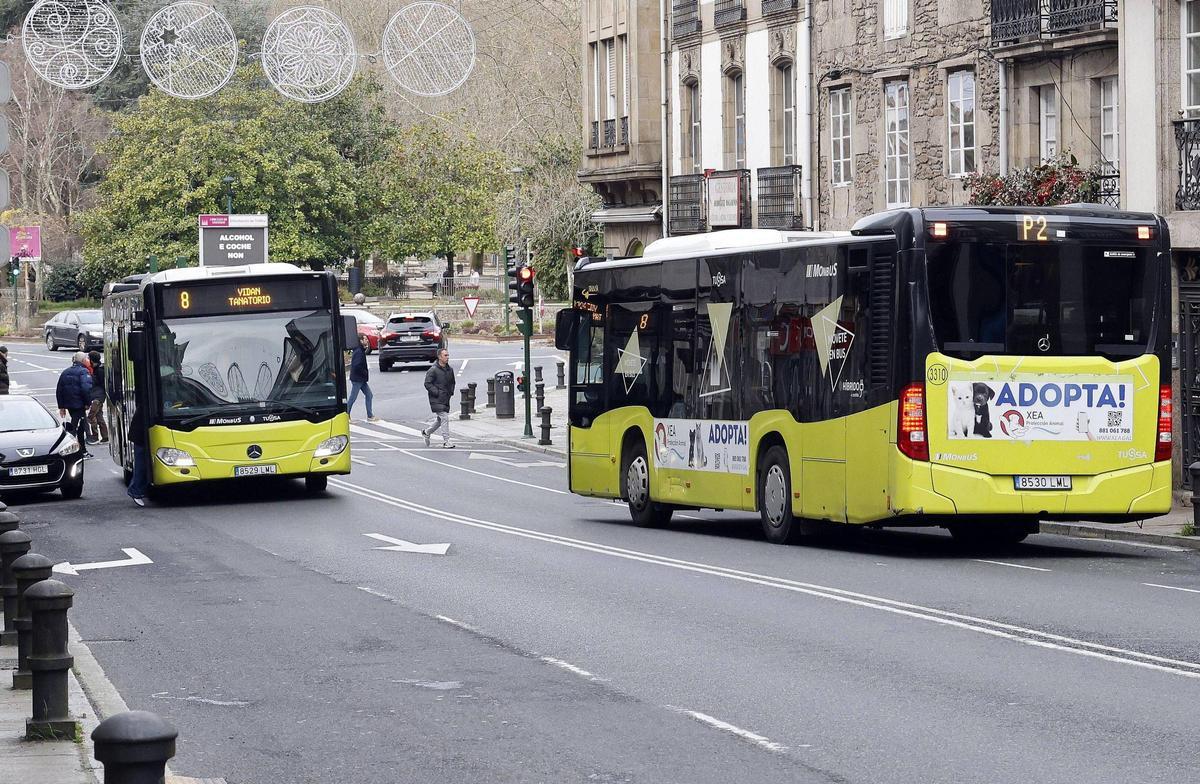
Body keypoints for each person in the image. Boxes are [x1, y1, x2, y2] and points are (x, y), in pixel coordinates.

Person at [56, 352, 94, 458]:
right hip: (79, 405)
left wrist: (61, 406)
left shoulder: (65, 372)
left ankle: (81, 451)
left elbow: (59, 390)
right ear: (83, 360)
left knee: (77, 427)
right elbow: (86, 389)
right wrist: (88, 402)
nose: (88, 360)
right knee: (77, 429)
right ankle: (76, 452)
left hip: (70, 405)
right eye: (86, 358)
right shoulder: (83, 371)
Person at [422, 347, 455, 448]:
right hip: (436, 399)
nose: (447, 357)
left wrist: (450, 392)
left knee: (440, 420)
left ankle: (427, 432)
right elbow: (427, 383)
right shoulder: (433, 370)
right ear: (439, 357)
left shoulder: (450, 369)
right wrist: (437, 393)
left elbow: (452, 382)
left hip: (446, 398)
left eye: (448, 355)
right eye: (445, 355)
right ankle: (446, 441)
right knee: (444, 418)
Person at [347, 333, 379, 423]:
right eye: (365, 339)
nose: (366, 341)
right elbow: (357, 366)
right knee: (353, 398)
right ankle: (346, 415)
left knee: (369, 395)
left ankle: (370, 416)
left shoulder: (359, 350)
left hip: (360, 378)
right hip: (358, 379)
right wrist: (364, 372)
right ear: (360, 341)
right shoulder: (359, 352)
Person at [127, 403, 149, 507]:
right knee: (141, 463)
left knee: (141, 462)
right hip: (140, 435)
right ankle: (135, 491)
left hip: (139, 434)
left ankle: (137, 490)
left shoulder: (144, 406)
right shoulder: (145, 406)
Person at [86, 350, 109, 445]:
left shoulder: (99, 370)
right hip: (98, 396)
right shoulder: (97, 369)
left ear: (92, 360)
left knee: (91, 416)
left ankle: (94, 436)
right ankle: (105, 436)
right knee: (99, 416)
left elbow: (102, 384)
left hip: (98, 397)